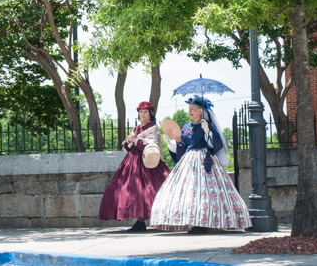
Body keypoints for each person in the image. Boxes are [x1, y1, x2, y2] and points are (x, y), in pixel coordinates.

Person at [150, 95, 251, 234]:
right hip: (188, 161)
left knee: (204, 192)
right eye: (189, 108)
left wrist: (207, 131)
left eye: (193, 109)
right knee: (189, 192)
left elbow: (215, 145)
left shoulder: (208, 125)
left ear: (201, 111)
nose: (190, 111)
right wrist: (171, 143)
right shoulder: (186, 127)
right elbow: (183, 146)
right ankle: (194, 222)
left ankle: (208, 222)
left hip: (205, 161)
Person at [98, 101, 171, 232]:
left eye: (145, 112)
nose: (143, 114)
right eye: (141, 112)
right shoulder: (136, 128)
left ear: (150, 114)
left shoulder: (152, 128)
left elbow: (151, 146)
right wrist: (129, 141)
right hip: (132, 162)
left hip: (147, 163)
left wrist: (136, 140)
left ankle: (147, 220)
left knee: (148, 190)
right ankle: (140, 220)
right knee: (129, 190)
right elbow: (126, 147)